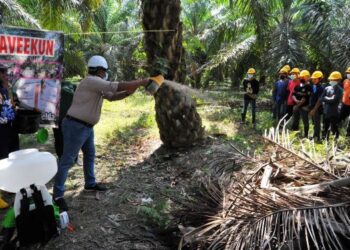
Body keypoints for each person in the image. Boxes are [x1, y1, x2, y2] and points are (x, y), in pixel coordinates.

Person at [53, 55, 163, 211]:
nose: (105, 73)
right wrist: (142, 82)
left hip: (85, 127)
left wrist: (130, 92)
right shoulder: (91, 81)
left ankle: (90, 184)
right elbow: (116, 86)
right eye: (104, 71)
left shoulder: (96, 85)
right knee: (67, 160)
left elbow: (112, 96)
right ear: (99, 70)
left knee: (90, 155)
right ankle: (57, 195)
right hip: (76, 126)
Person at [0, 64, 19, 209]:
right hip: (1, 128)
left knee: (12, 155)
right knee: (1, 157)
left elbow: (11, 105)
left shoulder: (7, 89)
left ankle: (9, 185)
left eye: (7, 72)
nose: (7, 75)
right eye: (4, 73)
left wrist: (15, 105)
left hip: (10, 126)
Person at [321, 71, 343, 140]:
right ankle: (325, 140)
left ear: (338, 80)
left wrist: (326, 98)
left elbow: (333, 100)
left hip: (334, 112)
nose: (332, 81)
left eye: (334, 80)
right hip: (326, 111)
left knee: (334, 128)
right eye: (331, 79)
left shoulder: (339, 90)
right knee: (325, 127)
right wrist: (328, 98)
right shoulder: (327, 88)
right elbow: (321, 98)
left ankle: (336, 140)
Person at [291, 70, 312, 137]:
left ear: (307, 77)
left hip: (304, 107)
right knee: (295, 120)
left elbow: (306, 97)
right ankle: (294, 134)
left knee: (305, 122)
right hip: (297, 106)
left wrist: (297, 105)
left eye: (303, 77)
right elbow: (293, 94)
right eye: (300, 77)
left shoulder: (309, 87)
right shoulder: (298, 86)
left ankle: (306, 135)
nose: (301, 78)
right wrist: (296, 100)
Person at [309, 71, 325, 142]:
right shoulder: (313, 86)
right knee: (314, 123)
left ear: (319, 79)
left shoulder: (321, 88)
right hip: (312, 107)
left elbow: (319, 100)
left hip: (317, 108)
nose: (313, 80)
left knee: (317, 123)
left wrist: (314, 110)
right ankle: (314, 136)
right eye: (313, 79)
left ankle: (317, 138)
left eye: (315, 79)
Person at [339, 67, 350, 137]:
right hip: (344, 104)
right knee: (339, 119)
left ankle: (347, 136)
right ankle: (336, 134)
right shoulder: (345, 81)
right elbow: (344, 91)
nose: (348, 74)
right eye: (348, 73)